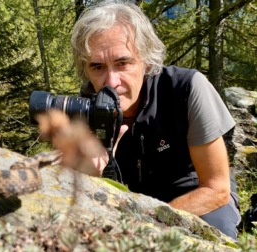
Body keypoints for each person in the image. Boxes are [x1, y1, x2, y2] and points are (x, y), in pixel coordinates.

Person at [69, 0, 241, 240]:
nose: (111, 82)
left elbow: (217, 188)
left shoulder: (185, 89)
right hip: (134, 199)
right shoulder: (88, 105)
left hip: (196, 193)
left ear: (146, 60)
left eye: (123, 63)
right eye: (97, 67)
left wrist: (151, 223)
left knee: (210, 235)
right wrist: (96, 174)